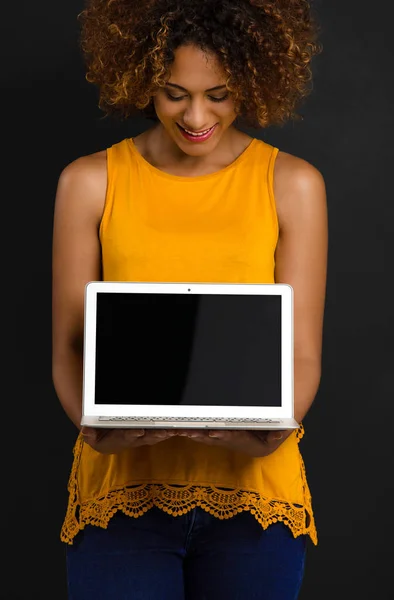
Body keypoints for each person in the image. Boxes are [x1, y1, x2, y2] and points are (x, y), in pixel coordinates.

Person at [52, 0, 328, 598]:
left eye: (220, 94)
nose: (197, 115)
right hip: (123, 493)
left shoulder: (293, 183)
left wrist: (270, 432)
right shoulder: (89, 181)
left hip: (255, 498)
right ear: (143, 77)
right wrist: (97, 429)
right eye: (174, 92)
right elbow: (71, 347)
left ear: (253, 81)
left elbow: (301, 352)